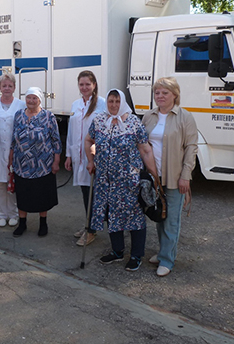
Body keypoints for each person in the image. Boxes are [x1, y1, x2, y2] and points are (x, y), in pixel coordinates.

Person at [85, 89, 158, 272]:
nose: (114, 105)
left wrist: (154, 174)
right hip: (105, 180)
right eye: (111, 101)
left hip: (128, 180)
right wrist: (91, 161)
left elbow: (145, 150)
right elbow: (88, 140)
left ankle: (136, 255)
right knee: (112, 215)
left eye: (117, 101)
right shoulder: (99, 120)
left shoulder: (133, 122)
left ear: (123, 102)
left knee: (134, 216)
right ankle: (117, 251)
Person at [142, 77, 198, 277]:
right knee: (160, 215)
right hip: (154, 177)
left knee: (171, 220)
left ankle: (167, 259)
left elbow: (191, 148)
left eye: (164, 93)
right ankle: (163, 252)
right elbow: (141, 143)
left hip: (174, 177)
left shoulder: (185, 117)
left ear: (175, 95)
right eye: (157, 92)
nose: (160, 96)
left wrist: (185, 176)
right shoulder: (148, 116)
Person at [9, 87, 61, 237]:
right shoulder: (19, 115)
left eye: (34, 98)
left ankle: (43, 223)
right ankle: (22, 223)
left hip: (42, 164)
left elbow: (56, 140)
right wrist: (10, 158)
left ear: (40, 100)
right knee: (23, 194)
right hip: (21, 163)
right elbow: (14, 139)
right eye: (28, 98)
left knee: (42, 195)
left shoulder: (48, 116)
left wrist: (56, 161)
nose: (31, 101)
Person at [65, 70, 106, 247]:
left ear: (94, 85)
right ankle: (89, 225)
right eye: (81, 84)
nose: (84, 87)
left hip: (94, 157)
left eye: (87, 84)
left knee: (94, 194)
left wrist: (96, 157)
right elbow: (71, 132)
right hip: (78, 156)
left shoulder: (102, 104)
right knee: (85, 192)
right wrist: (68, 155)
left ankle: (91, 230)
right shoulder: (75, 104)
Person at [0, 73, 26, 227]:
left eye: (10, 86)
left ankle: (13, 214)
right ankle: (2, 214)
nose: (7, 88)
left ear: (14, 87)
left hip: (14, 151)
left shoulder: (21, 105)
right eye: (4, 85)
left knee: (13, 184)